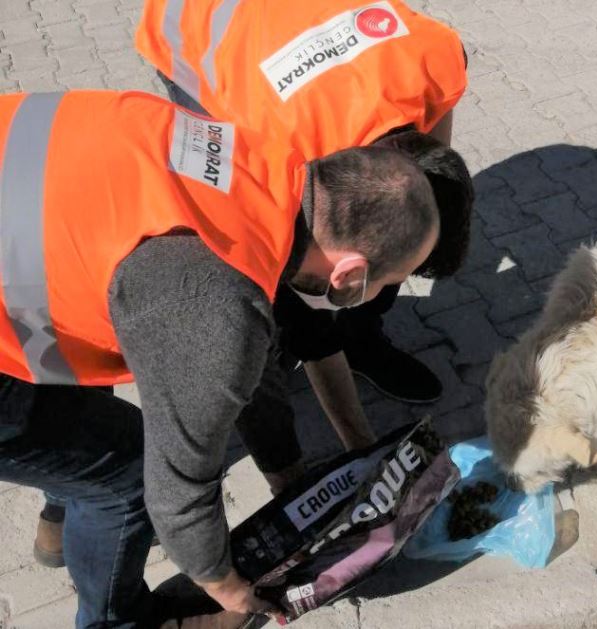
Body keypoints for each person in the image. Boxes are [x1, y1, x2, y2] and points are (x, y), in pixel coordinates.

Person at [0, 89, 443, 628]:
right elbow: (178, 489)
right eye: (387, 283)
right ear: (347, 274)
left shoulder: (260, 164)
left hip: (31, 218)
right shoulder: (210, 307)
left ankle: (59, 514)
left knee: (77, 396)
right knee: (125, 474)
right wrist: (222, 582)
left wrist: (286, 471)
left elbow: (247, 365)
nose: (379, 295)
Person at [134, 0, 469, 405]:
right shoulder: (277, 148)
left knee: (381, 244)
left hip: (285, 40)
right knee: (276, 252)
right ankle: (279, 334)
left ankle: (359, 340)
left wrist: (416, 227)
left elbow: (431, 152)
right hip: (194, 28)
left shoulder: (432, 58)